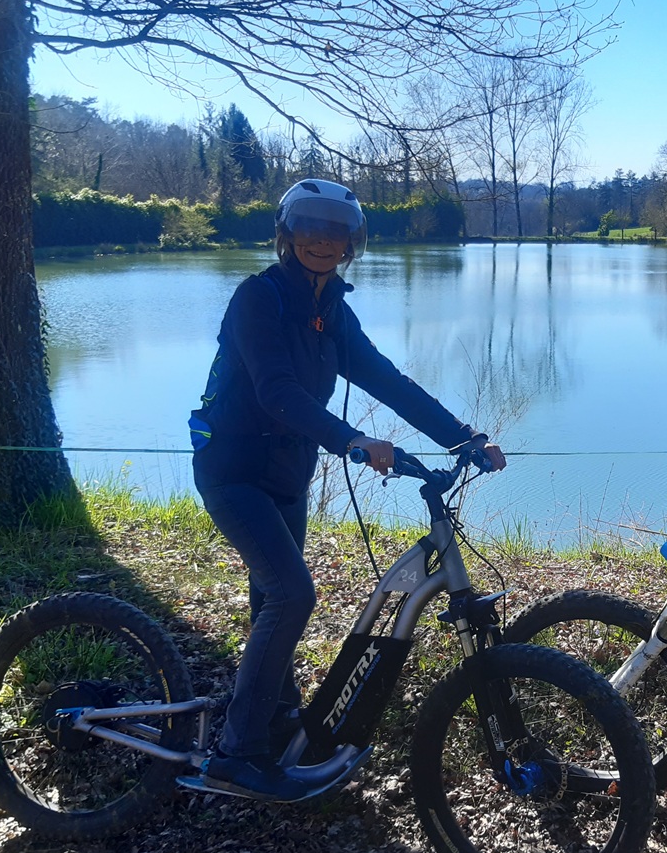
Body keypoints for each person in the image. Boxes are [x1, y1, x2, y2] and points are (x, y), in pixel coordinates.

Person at [188, 179, 505, 800]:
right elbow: (276, 390)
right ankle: (235, 753)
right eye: (309, 228)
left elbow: (387, 380)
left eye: (336, 232)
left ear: (351, 242)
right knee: (291, 596)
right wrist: (351, 440)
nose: (322, 241)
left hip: (286, 475)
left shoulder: (332, 308)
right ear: (286, 234)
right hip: (233, 470)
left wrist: (462, 437)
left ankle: (275, 720)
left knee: (269, 600)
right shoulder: (258, 299)